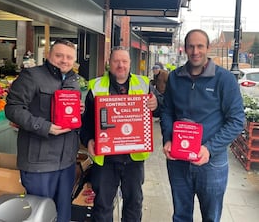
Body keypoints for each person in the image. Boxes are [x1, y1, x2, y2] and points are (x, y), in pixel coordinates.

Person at [160, 29, 245, 222]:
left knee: (211, 217)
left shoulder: (225, 79)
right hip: (178, 160)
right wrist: (167, 138)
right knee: (181, 216)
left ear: (208, 48)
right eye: (191, 46)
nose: (195, 51)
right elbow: (167, 111)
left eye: (200, 46)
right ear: (184, 48)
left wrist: (209, 149)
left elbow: (237, 120)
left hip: (211, 163)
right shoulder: (175, 77)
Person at [5, 39, 84, 222]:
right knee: (39, 214)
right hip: (38, 162)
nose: (64, 60)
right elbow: (13, 108)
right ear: (49, 55)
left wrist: (79, 110)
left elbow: (70, 110)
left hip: (67, 162)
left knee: (63, 214)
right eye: (59, 55)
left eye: (69, 57)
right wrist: (45, 127)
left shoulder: (73, 79)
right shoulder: (31, 76)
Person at [80, 46, 162, 222]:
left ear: (130, 63)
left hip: (134, 159)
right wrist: (88, 140)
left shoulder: (144, 84)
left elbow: (161, 109)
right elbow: (86, 122)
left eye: (124, 61)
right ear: (109, 63)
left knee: (134, 203)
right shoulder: (96, 86)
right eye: (116, 61)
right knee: (102, 205)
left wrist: (156, 105)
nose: (120, 65)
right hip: (106, 159)